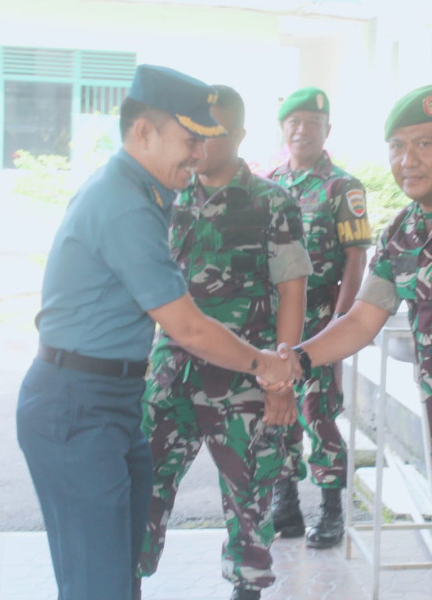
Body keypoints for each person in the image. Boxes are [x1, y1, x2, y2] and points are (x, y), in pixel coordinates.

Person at [16, 66, 297, 600]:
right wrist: (266, 365)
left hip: (114, 400)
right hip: (77, 405)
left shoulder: (145, 193)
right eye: (189, 140)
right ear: (143, 131)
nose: (197, 155)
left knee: (118, 575)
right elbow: (187, 326)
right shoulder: (123, 205)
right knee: (97, 584)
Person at [275, 83, 432, 599]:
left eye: (423, 144)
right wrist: (298, 359)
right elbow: (361, 319)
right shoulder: (403, 231)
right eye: (397, 147)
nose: (407, 160)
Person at [134, 85, 311, 600]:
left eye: (215, 134)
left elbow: (291, 292)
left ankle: (246, 590)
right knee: (141, 490)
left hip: (245, 380)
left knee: (249, 505)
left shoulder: (270, 203)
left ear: (238, 136)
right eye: (195, 133)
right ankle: (127, 580)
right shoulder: (168, 197)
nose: (201, 146)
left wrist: (282, 376)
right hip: (173, 373)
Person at [267, 87, 372, 549]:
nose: (302, 130)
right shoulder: (268, 185)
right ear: (283, 129)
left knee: (318, 412)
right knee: (275, 411)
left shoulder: (342, 188)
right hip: (273, 325)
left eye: (312, 122)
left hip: (322, 322)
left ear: (327, 129)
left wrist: (340, 324)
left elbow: (356, 258)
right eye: (294, 122)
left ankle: (331, 508)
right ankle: (284, 502)